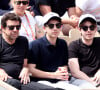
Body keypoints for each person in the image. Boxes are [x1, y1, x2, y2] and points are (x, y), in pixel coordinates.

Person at [0, 12, 60, 90]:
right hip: (3, 81)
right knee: (14, 84)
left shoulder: (23, 41)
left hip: (22, 79)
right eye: (11, 27)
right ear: (3, 28)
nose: (15, 30)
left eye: (18, 27)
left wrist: (25, 69)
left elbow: (25, 64)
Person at [28, 12, 80, 90]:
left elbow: (64, 65)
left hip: (60, 81)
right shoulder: (35, 45)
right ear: (44, 28)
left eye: (58, 25)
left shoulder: (63, 43)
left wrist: (62, 71)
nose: (55, 28)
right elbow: (30, 70)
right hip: (41, 82)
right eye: (51, 26)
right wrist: (53, 75)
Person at [68, 14, 100, 89]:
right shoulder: (73, 45)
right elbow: (75, 72)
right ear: (80, 30)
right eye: (85, 28)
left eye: (92, 27)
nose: (89, 30)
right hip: (80, 80)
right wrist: (91, 82)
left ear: (96, 29)